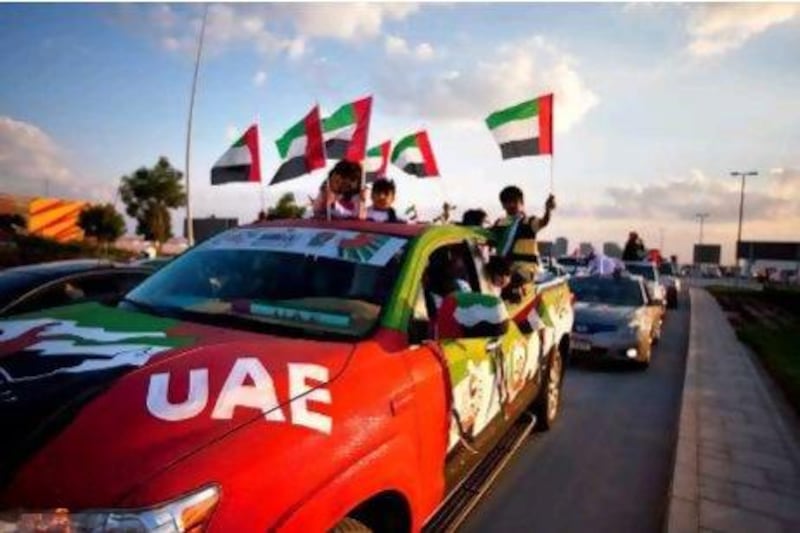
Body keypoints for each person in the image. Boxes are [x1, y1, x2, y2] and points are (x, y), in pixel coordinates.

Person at [493, 186, 556, 284]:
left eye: (514, 201)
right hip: (505, 268)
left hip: (526, 269)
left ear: (522, 203)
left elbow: (543, 222)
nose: (511, 205)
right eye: (507, 202)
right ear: (503, 205)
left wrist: (548, 210)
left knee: (511, 280)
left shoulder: (529, 222)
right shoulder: (499, 223)